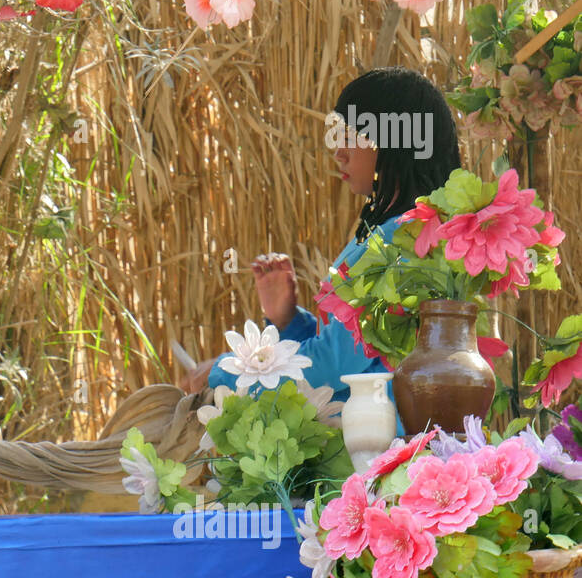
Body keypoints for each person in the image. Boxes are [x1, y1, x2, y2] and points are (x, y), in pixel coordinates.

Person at [182, 67, 462, 399]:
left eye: (352, 136)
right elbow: (353, 355)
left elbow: (331, 368)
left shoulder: (402, 246)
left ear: (394, 143)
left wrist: (227, 373)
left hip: (382, 446)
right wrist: (288, 321)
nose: (338, 152)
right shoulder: (406, 234)